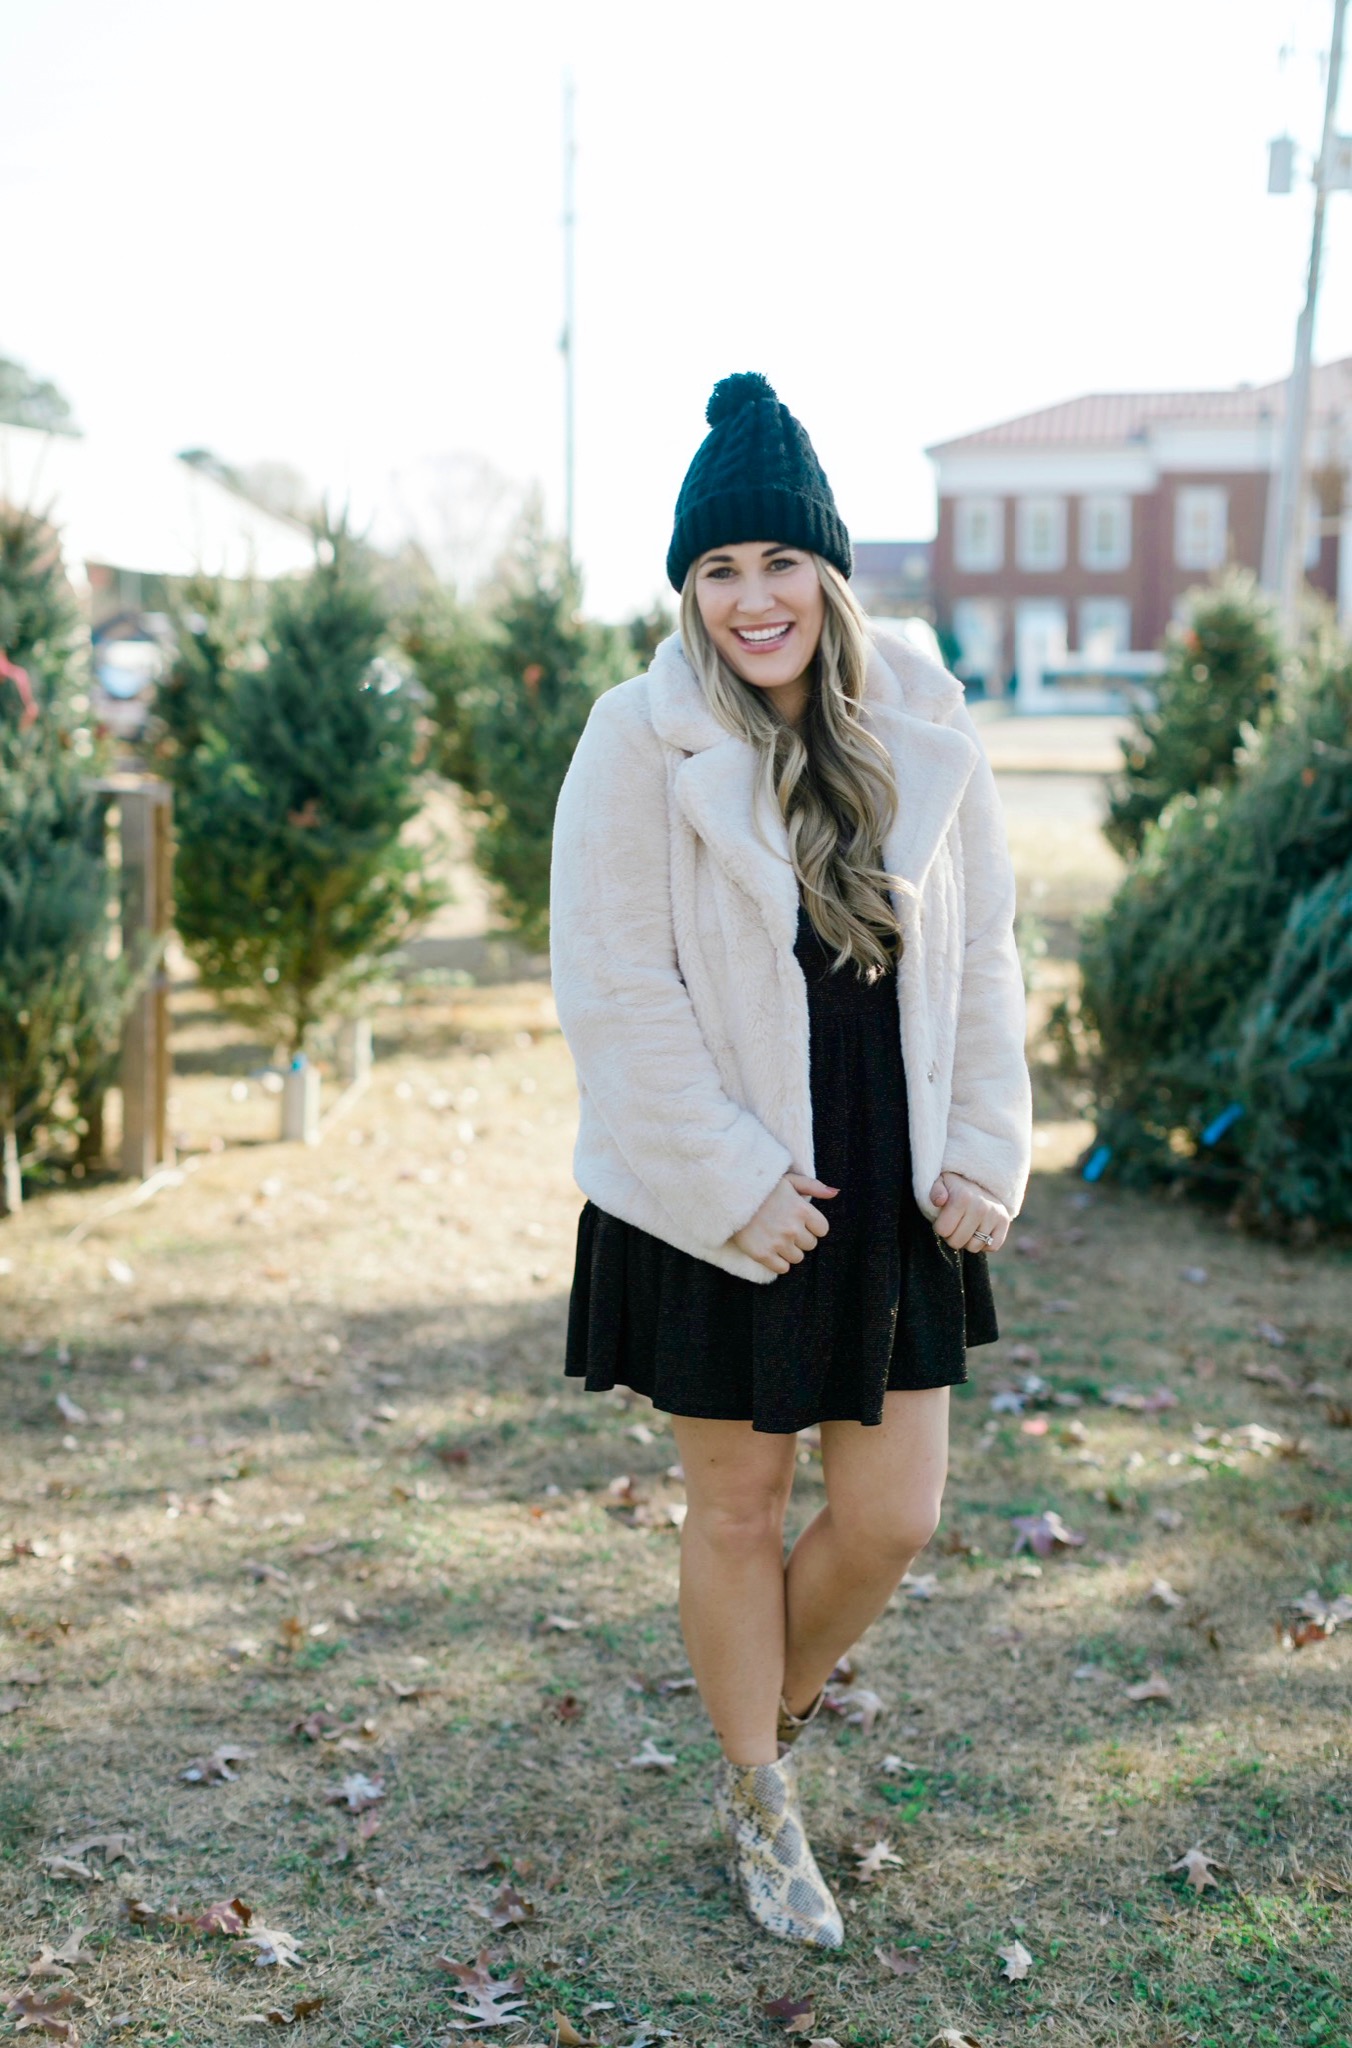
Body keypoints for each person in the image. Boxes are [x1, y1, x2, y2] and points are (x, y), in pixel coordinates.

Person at [549, 372, 1031, 1948]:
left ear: (829, 572)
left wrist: (982, 1148)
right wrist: (728, 1180)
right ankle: (762, 1801)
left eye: (777, 565)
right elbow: (614, 988)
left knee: (891, 1517)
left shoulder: (922, 719)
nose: (751, 600)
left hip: (892, 1178)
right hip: (728, 1190)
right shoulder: (638, 740)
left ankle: (761, 1709)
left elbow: (989, 956)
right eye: (716, 572)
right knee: (740, 1509)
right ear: (688, 591)